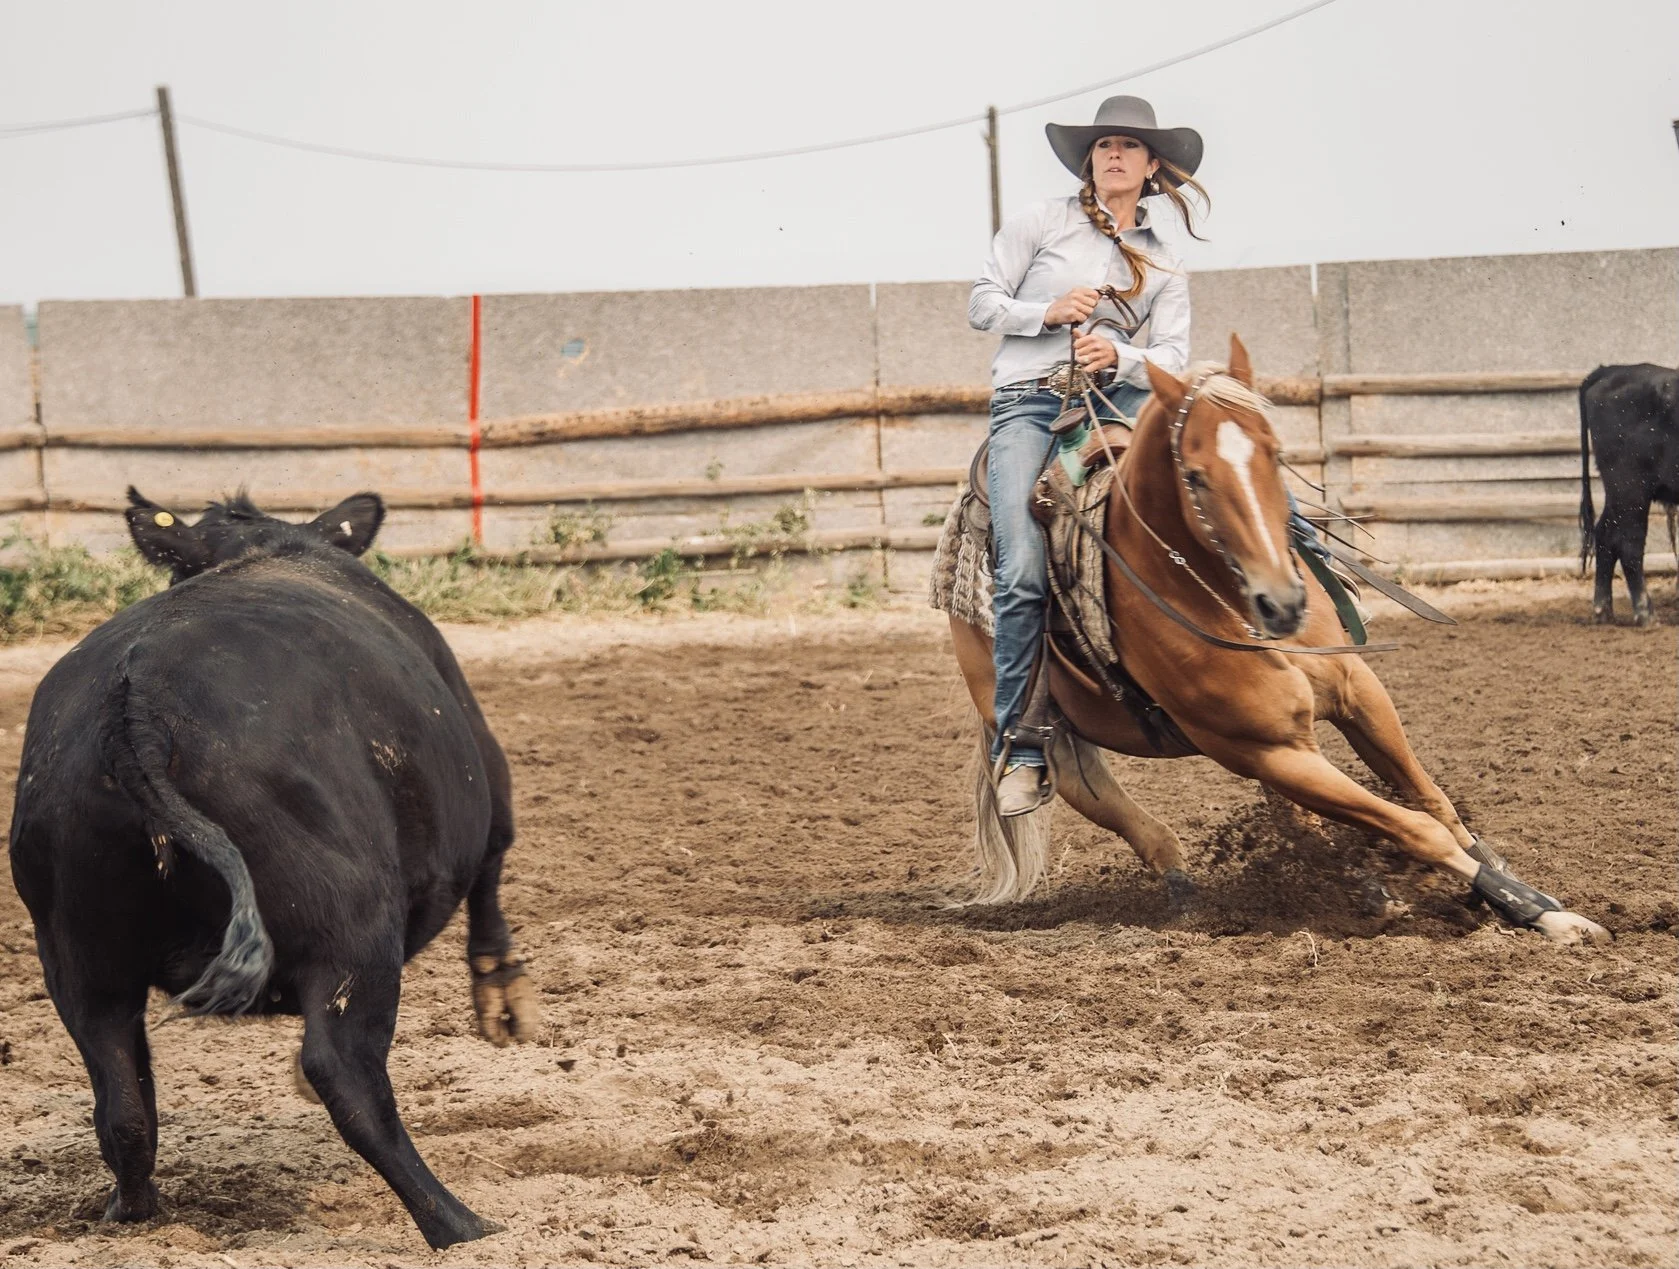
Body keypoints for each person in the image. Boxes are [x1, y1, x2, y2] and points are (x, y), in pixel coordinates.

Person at [968, 95, 1208, 817]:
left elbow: (1172, 356)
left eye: (1129, 147)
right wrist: (1045, 312)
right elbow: (981, 302)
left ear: (1151, 166)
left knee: (1228, 487)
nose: (1114, 154)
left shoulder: (1164, 261)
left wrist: (1120, 354)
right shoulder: (1041, 222)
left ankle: (1304, 616)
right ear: (1088, 159)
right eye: (1104, 144)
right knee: (1020, 568)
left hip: (1124, 402)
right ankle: (1023, 745)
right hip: (1030, 404)